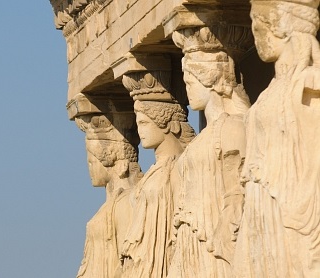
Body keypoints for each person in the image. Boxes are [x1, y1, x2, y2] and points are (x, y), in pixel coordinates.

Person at [234, 1, 320, 276]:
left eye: (259, 22)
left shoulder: (310, 83)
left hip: (291, 200)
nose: (255, 32)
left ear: (281, 26)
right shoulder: (269, 92)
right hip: (261, 201)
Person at [168, 26, 251, 277]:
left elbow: (237, 191)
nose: (188, 87)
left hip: (214, 236)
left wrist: (227, 234)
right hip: (188, 237)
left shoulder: (232, 127)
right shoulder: (199, 141)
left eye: (191, 81)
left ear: (209, 79)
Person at [121, 100, 195, 278]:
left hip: (165, 256)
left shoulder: (178, 167)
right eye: (138, 124)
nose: (140, 131)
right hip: (143, 257)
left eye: (144, 123)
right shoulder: (153, 172)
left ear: (165, 123)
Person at [74, 112, 143, 278]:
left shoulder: (126, 202)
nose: (89, 168)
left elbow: (127, 260)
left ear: (108, 158)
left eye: (92, 161)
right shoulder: (110, 204)